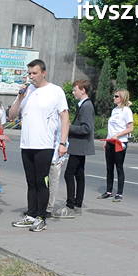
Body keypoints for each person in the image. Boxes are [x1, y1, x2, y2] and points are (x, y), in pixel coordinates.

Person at [8, 59, 69, 232]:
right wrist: (20, 97)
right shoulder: (26, 91)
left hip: (45, 144)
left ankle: (41, 217)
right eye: (29, 73)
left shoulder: (55, 91)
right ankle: (31, 214)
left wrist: (63, 142)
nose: (31, 77)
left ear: (43, 73)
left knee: (42, 181)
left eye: (34, 73)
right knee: (30, 182)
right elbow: (11, 116)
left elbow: (65, 117)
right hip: (27, 144)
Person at [54, 80, 95, 218]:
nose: (73, 92)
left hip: (79, 146)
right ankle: (77, 204)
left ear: (83, 90)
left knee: (69, 174)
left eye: (75, 90)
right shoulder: (84, 105)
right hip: (80, 145)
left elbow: (86, 128)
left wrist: (68, 127)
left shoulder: (86, 106)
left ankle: (71, 205)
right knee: (79, 174)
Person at [98, 90, 133, 202]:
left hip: (120, 142)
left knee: (119, 167)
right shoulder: (114, 110)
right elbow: (111, 128)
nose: (114, 97)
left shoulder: (126, 110)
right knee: (109, 167)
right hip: (110, 141)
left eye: (116, 96)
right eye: (114, 95)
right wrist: (107, 140)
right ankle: (108, 191)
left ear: (122, 98)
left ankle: (119, 193)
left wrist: (118, 135)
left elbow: (130, 128)